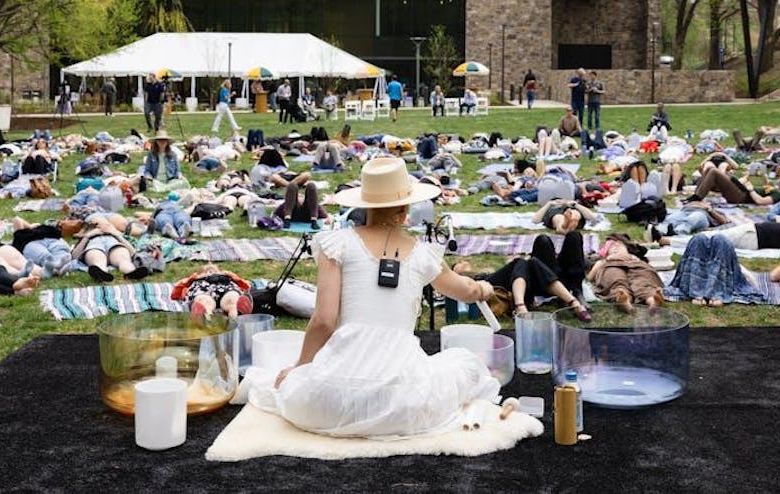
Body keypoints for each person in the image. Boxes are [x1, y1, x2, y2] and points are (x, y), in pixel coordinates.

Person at [246, 156, 501, 438]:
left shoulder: (337, 243)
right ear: (406, 209)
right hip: (406, 404)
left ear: (364, 206)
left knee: (283, 383)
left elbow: (324, 321)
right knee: (464, 363)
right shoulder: (422, 254)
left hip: (331, 401)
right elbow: (465, 291)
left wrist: (299, 369)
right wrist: (483, 289)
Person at [455, 232, 591, 320]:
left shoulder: (482, 270)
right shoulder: (461, 278)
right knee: (524, 259)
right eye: (459, 263)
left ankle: (574, 296)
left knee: (572, 236)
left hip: (535, 280)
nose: (463, 261)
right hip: (497, 285)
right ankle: (573, 302)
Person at [588, 234, 665, 313]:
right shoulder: (604, 261)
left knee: (643, 281)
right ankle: (625, 301)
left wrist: (636, 260)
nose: (615, 247)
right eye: (611, 246)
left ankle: (652, 300)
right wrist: (607, 260)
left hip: (636, 265)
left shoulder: (635, 258)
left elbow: (647, 272)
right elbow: (588, 279)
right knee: (617, 280)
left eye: (619, 245)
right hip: (612, 266)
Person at [172, 264, 253, 320]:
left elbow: (247, 286)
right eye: (207, 270)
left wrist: (230, 275)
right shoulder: (195, 279)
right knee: (204, 302)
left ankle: (237, 316)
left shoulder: (228, 277)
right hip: (203, 289)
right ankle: (205, 320)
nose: (211, 270)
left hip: (227, 287)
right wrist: (192, 278)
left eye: (214, 269)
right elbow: (175, 293)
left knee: (232, 300)